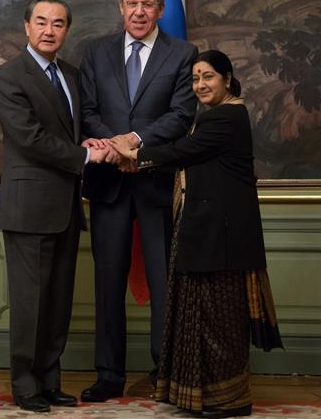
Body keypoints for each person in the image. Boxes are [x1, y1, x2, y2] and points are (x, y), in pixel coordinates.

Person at [110, 50, 282, 418]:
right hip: (208, 233)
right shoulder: (216, 115)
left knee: (220, 317)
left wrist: (134, 153)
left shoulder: (228, 116)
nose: (201, 85)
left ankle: (228, 399)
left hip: (221, 237)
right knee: (203, 314)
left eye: (209, 77)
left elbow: (183, 150)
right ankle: (205, 395)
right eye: (195, 79)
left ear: (227, 78)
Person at [79, 0, 198, 402]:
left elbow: (181, 114)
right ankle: (109, 374)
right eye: (132, 4)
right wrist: (114, 147)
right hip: (109, 182)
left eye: (147, 4)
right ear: (120, 7)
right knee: (107, 283)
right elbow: (88, 112)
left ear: (161, 9)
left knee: (164, 282)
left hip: (155, 183)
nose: (139, 12)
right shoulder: (95, 53)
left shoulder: (182, 54)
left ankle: (163, 373)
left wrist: (134, 143)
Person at [0, 0, 108, 413]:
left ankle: (50, 381)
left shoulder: (73, 76)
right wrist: (85, 156)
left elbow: (70, 131)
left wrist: (89, 142)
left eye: (58, 24)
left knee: (57, 301)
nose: (48, 30)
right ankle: (25, 387)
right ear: (26, 27)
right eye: (41, 22)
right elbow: (29, 139)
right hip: (29, 206)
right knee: (30, 303)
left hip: (66, 205)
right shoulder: (8, 77)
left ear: (66, 31)